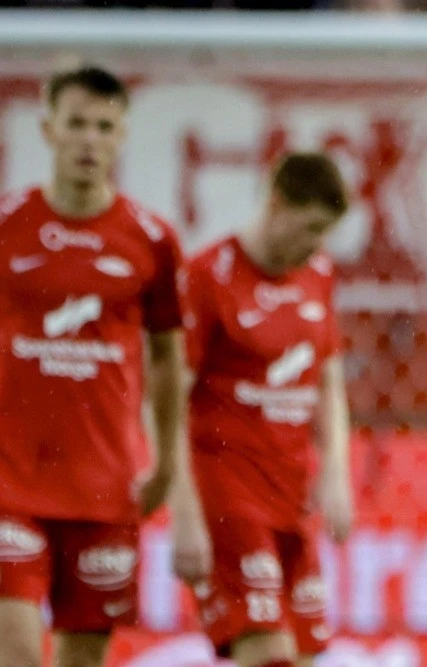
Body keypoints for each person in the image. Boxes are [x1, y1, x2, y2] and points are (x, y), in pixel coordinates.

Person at [0, 65, 211, 666]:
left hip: (104, 488)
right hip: (10, 482)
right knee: (17, 652)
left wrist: (165, 463)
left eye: (102, 126)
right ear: (48, 130)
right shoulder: (8, 225)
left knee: (83, 660)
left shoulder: (151, 239)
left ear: (121, 136)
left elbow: (167, 360)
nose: (88, 140)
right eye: (76, 124)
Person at [177, 152, 354, 667]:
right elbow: (165, 402)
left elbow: (328, 382)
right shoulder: (207, 276)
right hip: (228, 493)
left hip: (292, 494)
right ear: (276, 205)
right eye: (310, 228)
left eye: (326, 232)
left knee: (303, 654)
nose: (317, 244)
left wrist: (336, 473)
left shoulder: (318, 273)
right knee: (268, 654)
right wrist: (184, 513)